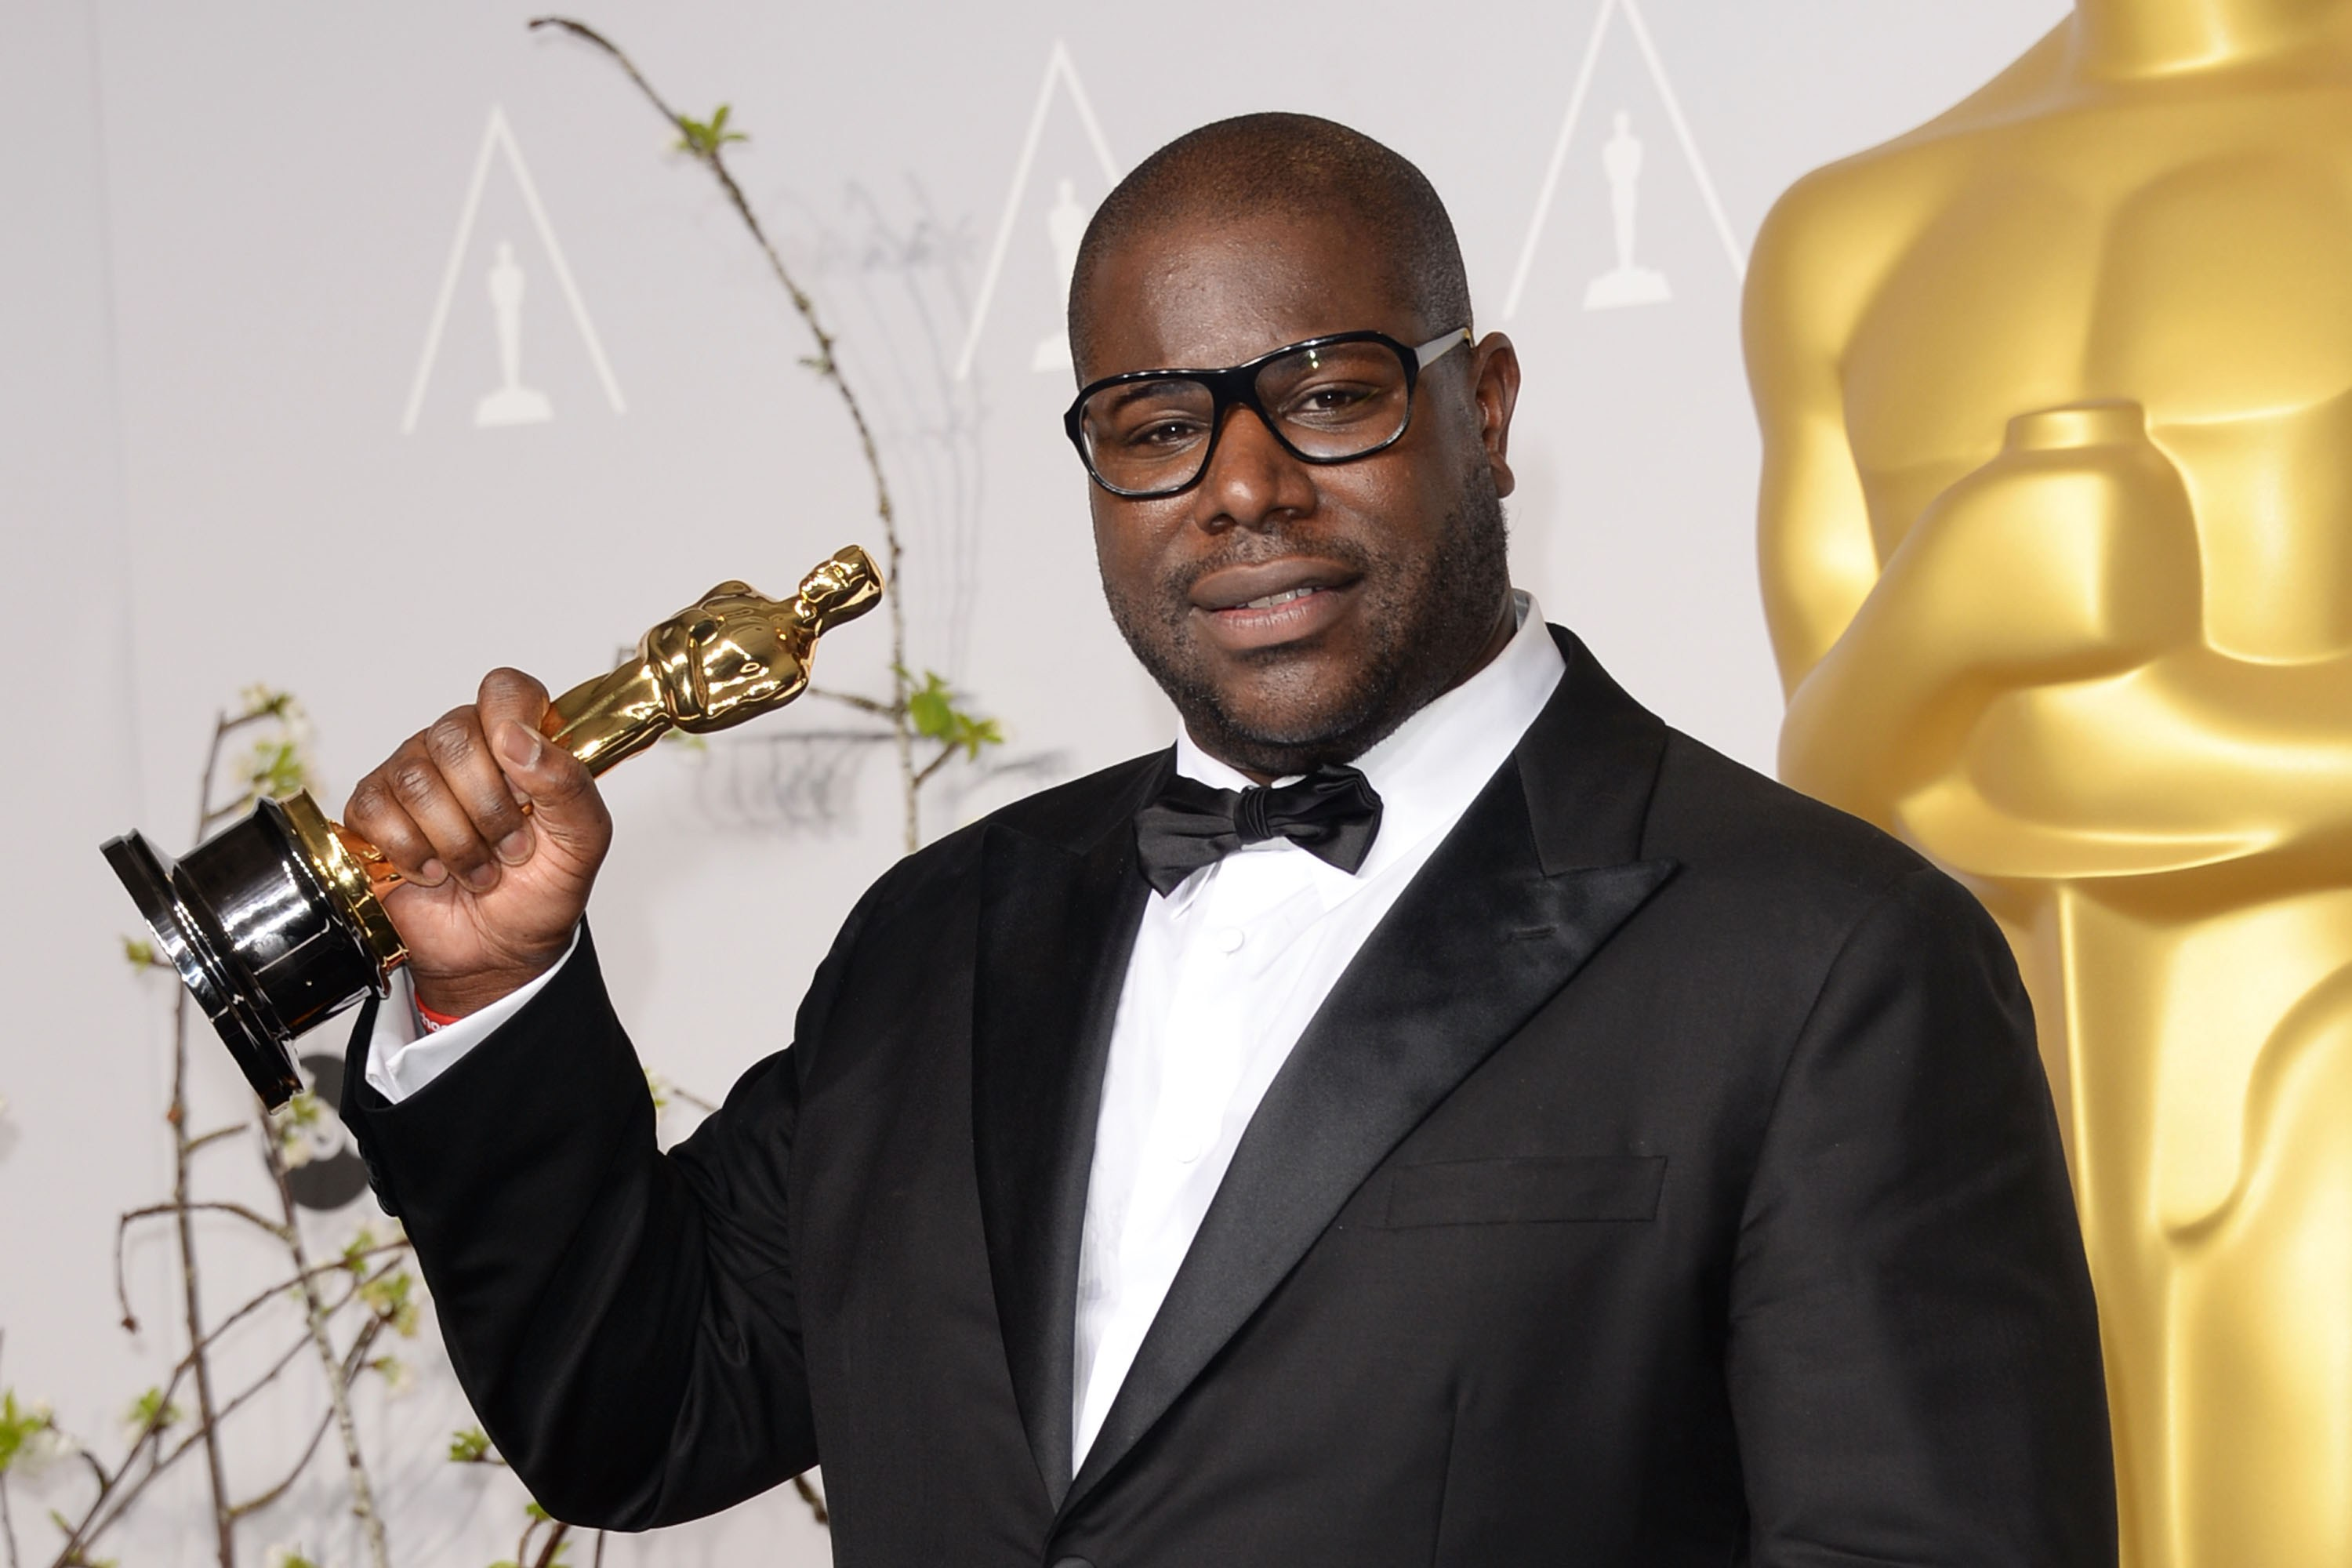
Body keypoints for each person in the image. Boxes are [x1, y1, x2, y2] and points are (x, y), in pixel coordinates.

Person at [338, 113, 2115, 1566]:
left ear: (1482, 411)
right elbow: (641, 1408)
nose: (1244, 485)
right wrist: (498, 989)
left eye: (1330, 391)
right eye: (1160, 427)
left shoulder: (1824, 958)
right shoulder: (938, 941)